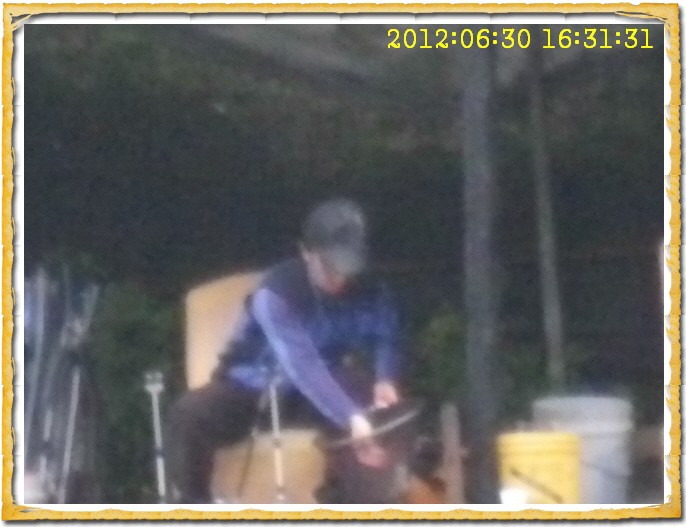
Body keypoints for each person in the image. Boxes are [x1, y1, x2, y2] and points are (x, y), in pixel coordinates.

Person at [166, 198, 403, 503]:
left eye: (346, 268)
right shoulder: (276, 293)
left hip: (319, 387)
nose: (339, 279)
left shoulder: (371, 288)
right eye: (329, 267)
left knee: (368, 398)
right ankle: (194, 510)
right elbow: (302, 365)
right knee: (188, 415)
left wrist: (385, 378)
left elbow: (387, 336)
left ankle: (349, 503)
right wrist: (350, 416)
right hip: (252, 386)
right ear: (306, 253)